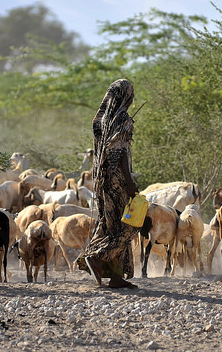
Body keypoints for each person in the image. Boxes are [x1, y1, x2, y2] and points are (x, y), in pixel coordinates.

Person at [77, 79, 140, 288]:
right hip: (118, 181)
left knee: (110, 224)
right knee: (131, 223)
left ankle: (115, 277)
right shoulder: (123, 118)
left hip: (101, 181)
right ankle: (98, 255)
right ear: (125, 96)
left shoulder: (101, 119)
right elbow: (119, 152)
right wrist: (130, 183)